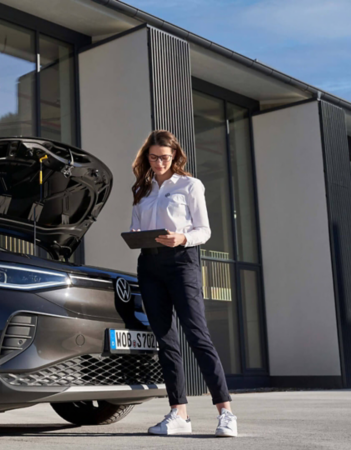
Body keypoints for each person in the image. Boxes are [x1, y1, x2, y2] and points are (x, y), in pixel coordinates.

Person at [130, 129, 238, 437]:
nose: (159, 163)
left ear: (175, 156)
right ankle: (178, 414)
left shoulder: (190, 185)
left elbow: (205, 230)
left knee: (197, 335)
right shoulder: (141, 189)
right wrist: (134, 236)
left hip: (182, 262)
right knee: (165, 341)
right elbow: (135, 227)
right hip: (149, 266)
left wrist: (183, 237)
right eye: (153, 158)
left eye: (164, 157)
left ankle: (226, 412)